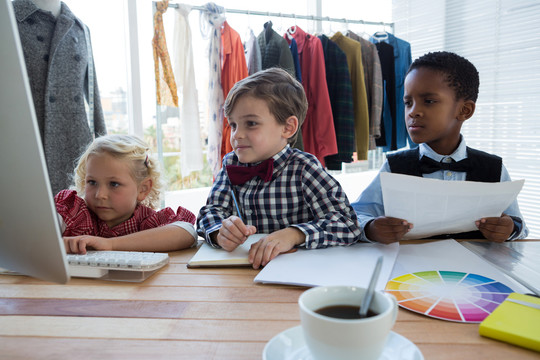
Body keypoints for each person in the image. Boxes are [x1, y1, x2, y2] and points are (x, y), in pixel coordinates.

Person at [352, 51, 528, 243]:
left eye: (429, 101)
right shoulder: (394, 167)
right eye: (408, 102)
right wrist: (370, 229)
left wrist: (509, 228)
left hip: (475, 270)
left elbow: (519, 226)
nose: (413, 112)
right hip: (413, 270)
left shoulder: (493, 168)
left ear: (464, 110)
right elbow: (358, 213)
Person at [197, 68, 361, 269]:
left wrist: (295, 234)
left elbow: (347, 223)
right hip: (244, 271)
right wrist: (220, 231)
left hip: (300, 270)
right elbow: (210, 212)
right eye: (233, 125)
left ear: (288, 128)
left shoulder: (305, 168)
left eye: (251, 123)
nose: (236, 135)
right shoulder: (231, 164)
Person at [13, 0, 107, 195]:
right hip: (25, 135)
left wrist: (105, 143)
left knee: (75, 213)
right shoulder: (10, 20)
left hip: (74, 137)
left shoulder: (80, 29)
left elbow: (92, 91)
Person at [54, 134, 197, 254]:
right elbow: (40, 226)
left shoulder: (147, 222)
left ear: (143, 189)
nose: (100, 195)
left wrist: (110, 245)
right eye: (92, 182)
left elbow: (187, 232)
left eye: (114, 184)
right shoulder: (75, 214)